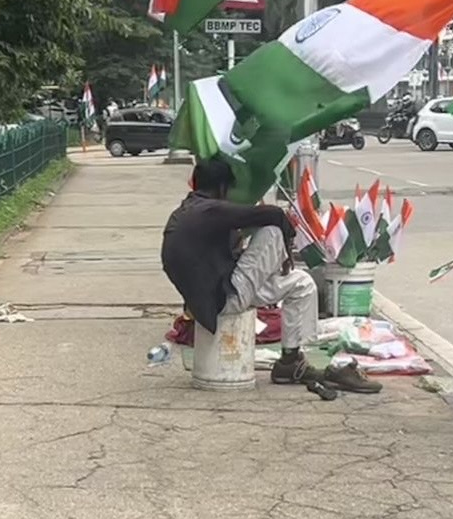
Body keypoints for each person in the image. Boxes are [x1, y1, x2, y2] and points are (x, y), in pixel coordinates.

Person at [159, 158, 380, 396]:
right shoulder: (209, 210)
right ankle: (294, 357)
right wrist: (285, 247)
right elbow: (274, 215)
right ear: (222, 187)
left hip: (212, 297)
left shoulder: (186, 212)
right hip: (224, 299)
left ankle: (290, 361)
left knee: (302, 284)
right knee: (273, 233)